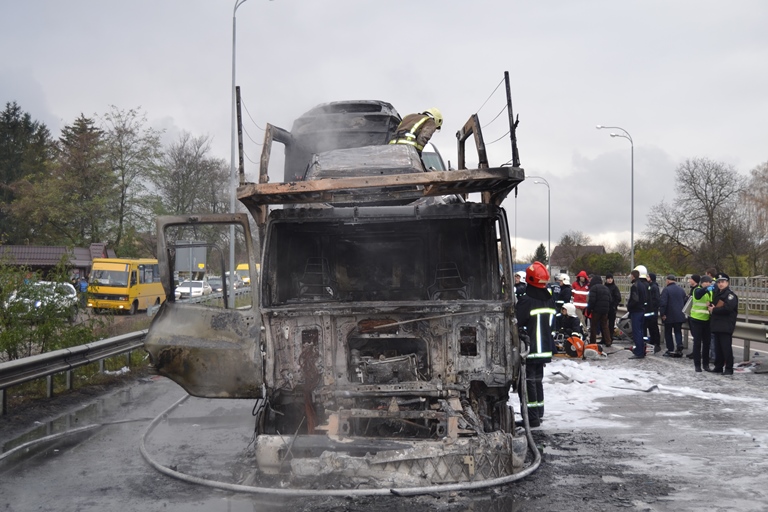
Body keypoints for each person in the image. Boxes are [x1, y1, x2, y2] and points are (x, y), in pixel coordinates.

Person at [515, 261, 555, 428]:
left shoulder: (527, 301)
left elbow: (517, 321)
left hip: (531, 349)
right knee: (537, 381)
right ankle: (538, 413)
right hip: (545, 348)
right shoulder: (550, 299)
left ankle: (531, 418)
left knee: (527, 382)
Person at [707, 273, 738, 375]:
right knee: (718, 348)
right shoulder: (718, 294)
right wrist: (711, 305)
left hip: (725, 325)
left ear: (727, 283)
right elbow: (716, 306)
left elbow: (728, 308)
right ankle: (718, 366)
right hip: (716, 325)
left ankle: (729, 368)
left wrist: (714, 309)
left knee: (726, 348)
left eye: (723, 282)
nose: (720, 284)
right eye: (719, 282)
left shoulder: (730, 295)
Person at [688, 275, 713, 372]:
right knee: (697, 343)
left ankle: (706, 365)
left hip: (707, 320)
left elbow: (711, 302)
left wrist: (710, 305)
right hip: (696, 319)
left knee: (707, 343)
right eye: (706, 282)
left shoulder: (710, 291)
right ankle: (697, 365)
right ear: (702, 283)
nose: (708, 284)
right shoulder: (697, 290)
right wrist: (706, 289)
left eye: (709, 282)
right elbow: (698, 295)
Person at [659, 274, 687, 357]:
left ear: (667, 280)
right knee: (678, 331)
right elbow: (685, 301)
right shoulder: (681, 290)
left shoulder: (666, 290)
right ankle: (679, 345)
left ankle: (670, 349)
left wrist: (662, 314)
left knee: (668, 333)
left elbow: (663, 303)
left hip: (669, 315)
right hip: (680, 315)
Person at [627, 269, 648, 359]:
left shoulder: (634, 286)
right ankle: (642, 350)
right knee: (641, 331)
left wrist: (629, 307)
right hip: (642, 310)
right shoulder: (642, 285)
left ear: (633, 276)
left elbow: (635, 299)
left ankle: (639, 352)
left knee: (636, 332)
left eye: (630, 275)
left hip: (636, 311)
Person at [586, 275, 613, 347]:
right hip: (605, 310)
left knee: (593, 326)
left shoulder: (594, 288)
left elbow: (592, 301)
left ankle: (593, 342)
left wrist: (588, 310)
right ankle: (608, 341)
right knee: (605, 326)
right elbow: (610, 300)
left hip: (596, 310)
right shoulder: (606, 288)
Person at [644, 271, 662, 353]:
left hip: (652, 311)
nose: (646, 278)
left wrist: (652, 307)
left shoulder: (654, 287)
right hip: (650, 311)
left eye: (648, 277)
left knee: (653, 327)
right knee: (651, 327)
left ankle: (656, 342)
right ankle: (653, 341)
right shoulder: (651, 286)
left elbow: (656, 299)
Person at [604, 272, 622, 341]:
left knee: (611, 324)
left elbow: (618, 298)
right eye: (608, 278)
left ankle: (610, 337)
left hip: (612, 309)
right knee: (604, 324)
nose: (610, 280)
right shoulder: (604, 287)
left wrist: (614, 305)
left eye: (611, 278)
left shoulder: (615, 288)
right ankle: (605, 337)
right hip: (605, 308)